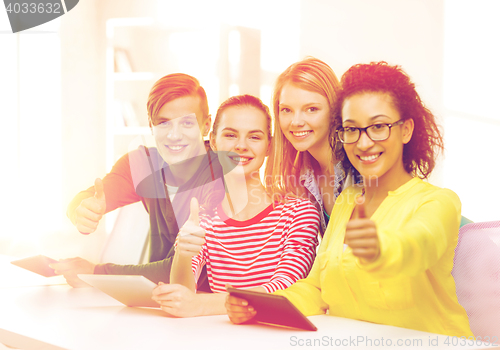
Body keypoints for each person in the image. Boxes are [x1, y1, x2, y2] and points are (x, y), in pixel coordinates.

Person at [226, 62, 473, 337]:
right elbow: (316, 288)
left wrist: (381, 250)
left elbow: (417, 246)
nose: (364, 143)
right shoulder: (346, 201)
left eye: (378, 126)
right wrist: (259, 305)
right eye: (352, 129)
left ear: (405, 130)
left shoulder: (440, 202)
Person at [51, 73, 227, 291]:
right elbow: (87, 198)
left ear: (206, 125)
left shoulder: (222, 175)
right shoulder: (144, 164)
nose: (174, 135)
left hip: (210, 312)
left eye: (187, 123)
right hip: (161, 306)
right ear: (151, 127)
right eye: (163, 123)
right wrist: (80, 210)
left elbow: (177, 271)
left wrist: (97, 273)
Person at [151, 95, 320, 317]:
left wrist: (202, 304)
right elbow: (184, 293)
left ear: (269, 146)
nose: (241, 146)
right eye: (230, 135)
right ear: (213, 142)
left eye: (254, 137)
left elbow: (286, 286)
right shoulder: (203, 220)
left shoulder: (300, 212)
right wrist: (183, 254)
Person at [265, 57, 356, 235]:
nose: (296, 122)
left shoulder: (358, 165)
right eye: (286, 110)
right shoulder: (298, 175)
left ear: (334, 109)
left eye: (311, 109)